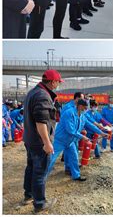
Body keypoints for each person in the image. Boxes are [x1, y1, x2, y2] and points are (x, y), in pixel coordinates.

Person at [22, 69, 62, 213]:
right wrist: (47, 143)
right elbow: (41, 122)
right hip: (39, 143)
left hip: (30, 139)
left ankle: (28, 195)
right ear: (53, 82)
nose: (58, 85)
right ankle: (39, 203)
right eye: (58, 82)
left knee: (31, 168)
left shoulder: (32, 92)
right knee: (40, 173)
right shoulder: (42, 96)